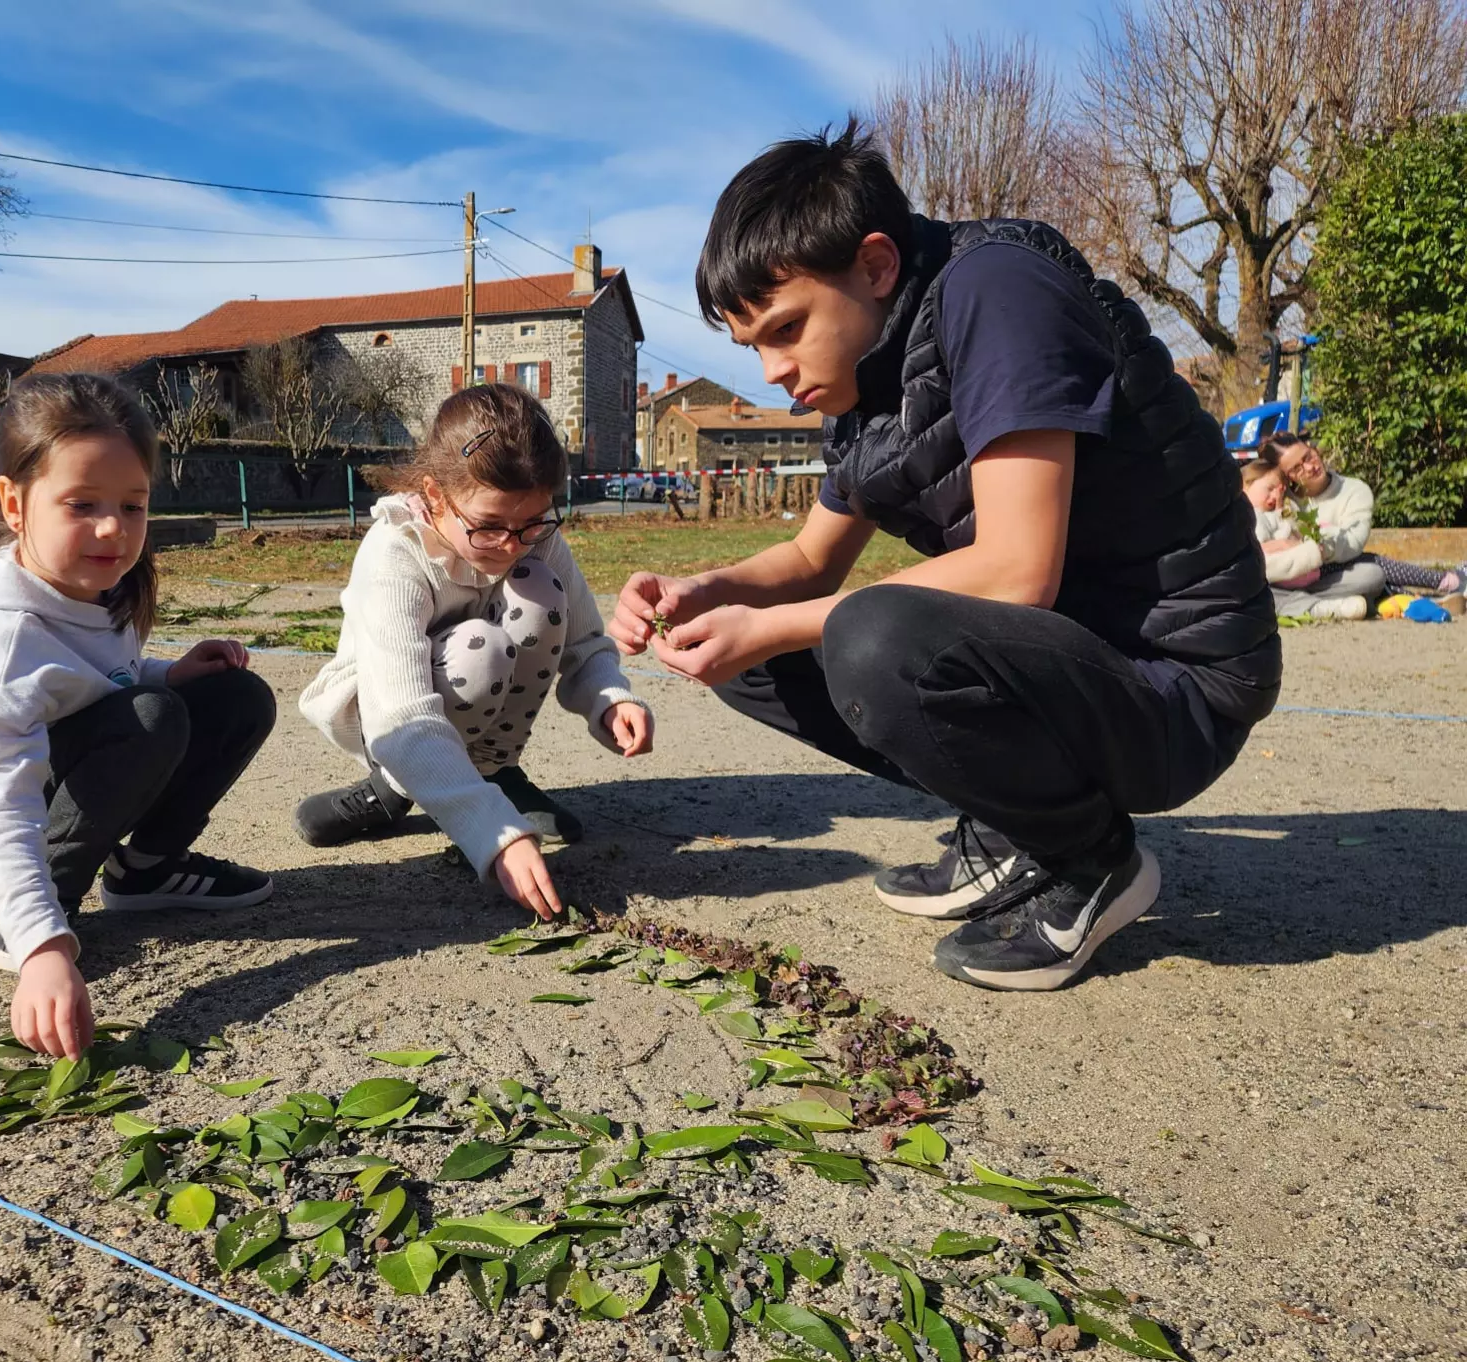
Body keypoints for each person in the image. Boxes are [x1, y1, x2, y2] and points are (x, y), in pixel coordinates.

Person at [610, 122, 1280, 992]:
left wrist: (777, 620)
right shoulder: (865, 381)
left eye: (787, 329)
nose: (773, 370)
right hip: (1075, 666)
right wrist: (697, 591)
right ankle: (1017, 827)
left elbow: (1014, 570)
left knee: (873, 634)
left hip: (1178, 687)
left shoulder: (997, 293)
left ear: (878, 265)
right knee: (741, 651)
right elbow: (811, 560)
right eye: (754, 348)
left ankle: (1089, 860)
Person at [0, 373, 277, 1060]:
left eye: (133, 506)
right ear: (15, 505)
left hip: (56, 780)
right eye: (81, 504)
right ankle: (38, 912)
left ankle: (146, 873)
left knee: (233, 698)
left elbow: (93, 682)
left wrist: (172, 670)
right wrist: (41, 946)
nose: (114, 529)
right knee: (151, 718)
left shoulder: (93, 585)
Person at [295, 383, 653, 919]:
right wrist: (492, 831)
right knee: (478, 648)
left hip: (475, 702)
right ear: (436, 496)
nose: (512, 545)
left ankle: (494, 770)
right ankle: (392, 788)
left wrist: (608, 697)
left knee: (539, 593)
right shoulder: (396, 552)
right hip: (384, 721)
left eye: (532, 522)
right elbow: (402, 714)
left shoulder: (534, 536)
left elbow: (582, 636)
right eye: (489, 527)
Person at [1266, 432, 1467, 603]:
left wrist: (1321, 545)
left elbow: (1353, 544)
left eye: (1308, 457)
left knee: (1371, 573)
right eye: (1297, 468)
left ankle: (1425, 595)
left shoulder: (1355, 491)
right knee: (1373, 572)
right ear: (1287, 477)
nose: (1310, 467)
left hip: (1335, 576)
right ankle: (1440, 587)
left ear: (1314, 449)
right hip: (1288, 580)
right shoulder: (1281, 500)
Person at [1241, 456, 1345, 605]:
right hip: (1287, 575)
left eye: (1279, 491)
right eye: (1269, 489)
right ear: (1245, 486)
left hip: (1303, 572)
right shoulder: (1252, 516)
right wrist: (1285, 542)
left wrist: (1280, 509)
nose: (1275, 496)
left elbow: (1293, 531)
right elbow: (1264, 548)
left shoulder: (1270, 513)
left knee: (1363, 567)